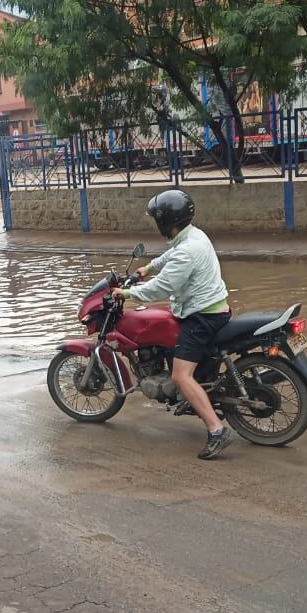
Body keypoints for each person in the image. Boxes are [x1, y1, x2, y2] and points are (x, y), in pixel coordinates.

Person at [114, 189, 235, 460]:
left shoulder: (187, 250)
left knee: (180, 376)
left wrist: (128, 293)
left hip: (201, 317)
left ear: (165, 222)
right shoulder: (194, 235)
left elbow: (163, 287)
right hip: (214, 309)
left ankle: (217, 430)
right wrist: (148, 268)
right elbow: (171, 256)